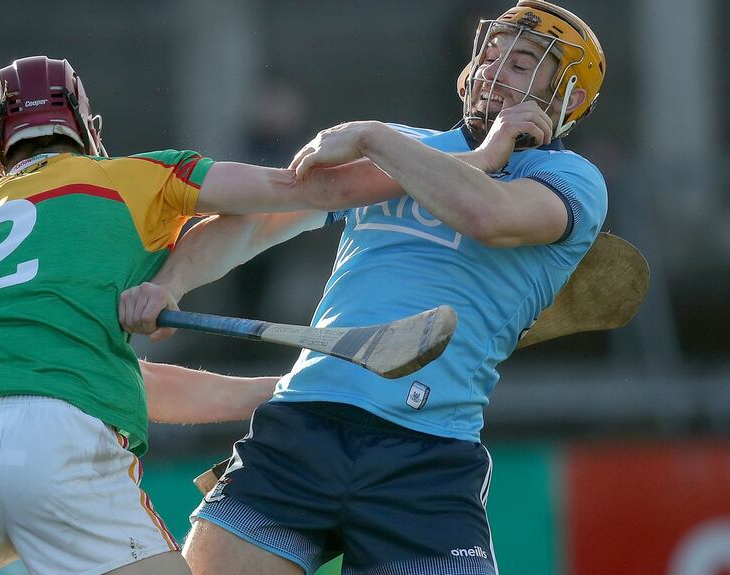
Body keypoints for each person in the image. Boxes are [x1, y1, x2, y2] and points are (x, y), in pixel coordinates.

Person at [0, 55, 417, 575]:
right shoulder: (133, 177)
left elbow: (113, 381)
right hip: (62, 441)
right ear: (87, 127)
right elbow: (297, 189)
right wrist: (464, 169)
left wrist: (281, 390)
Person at [119, 2, 607, 574]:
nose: (495, 71)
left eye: (523, 64)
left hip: (428, 457)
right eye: (492, 54)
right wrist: (169, 283)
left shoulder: (569, 179)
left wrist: (373, 137)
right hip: (303, 425)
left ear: (567, 97)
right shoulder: (404, 148)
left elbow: (488, 215)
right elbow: (256, 222)